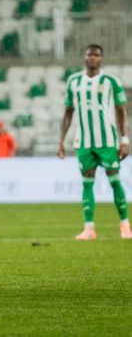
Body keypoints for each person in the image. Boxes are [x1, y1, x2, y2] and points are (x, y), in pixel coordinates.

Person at [57, 44, 132, 240]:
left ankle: (125, 225)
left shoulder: (111, 81)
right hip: (84, 143)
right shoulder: (74, 81)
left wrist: (124, 139)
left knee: (115, 181)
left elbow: (121, 112)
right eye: (90, 54)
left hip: (107, 142)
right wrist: (61, 141)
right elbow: (68, 112)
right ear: (84, 57)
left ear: (101, 58)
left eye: (96, 55)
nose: (93, 58)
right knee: (87, 183)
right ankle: (89, 229)